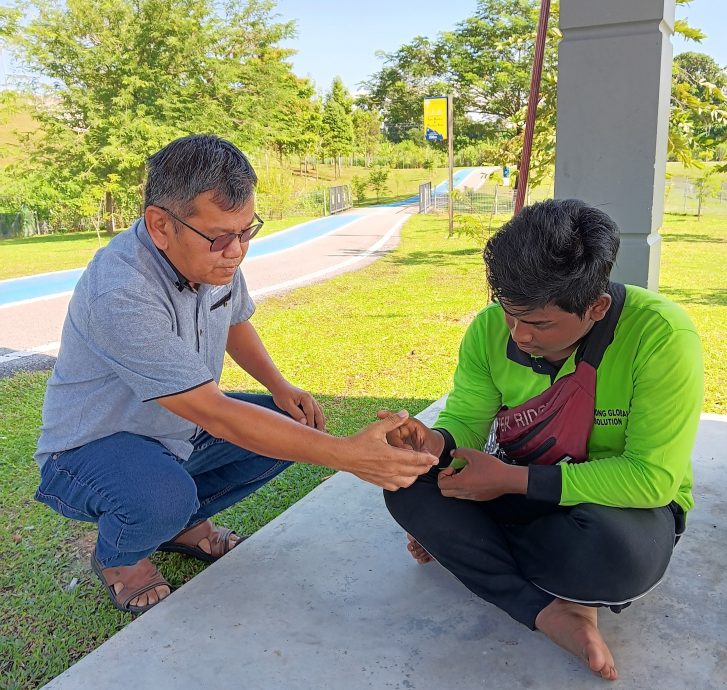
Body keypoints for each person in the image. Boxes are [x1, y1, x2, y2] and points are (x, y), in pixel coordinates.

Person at [34, 134, 438, 615]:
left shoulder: (211, 254)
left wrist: (280, 388)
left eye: (247, 232)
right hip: (90, 448)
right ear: (160, 225)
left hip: (176, 430)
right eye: (223, 237)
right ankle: (119, 558)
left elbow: (234, 321)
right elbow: (215, 413)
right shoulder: (121, 290)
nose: (237, 250)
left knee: (296, 427)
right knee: (164, 493)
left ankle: (180, 527)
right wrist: (348, 457)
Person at [381, 199, 703, 681]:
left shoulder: (660, 335)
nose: (519, 335)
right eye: (511, 314)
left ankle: (478, 550)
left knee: (616, 557)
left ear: (596, 307)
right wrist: (433, 443)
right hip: (515, 486)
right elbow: (468, 417)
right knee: (406, 487)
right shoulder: (491, 329)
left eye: (539, 324)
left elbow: (651, 479)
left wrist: (509, 483)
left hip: (615, 507)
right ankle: (548, 607)